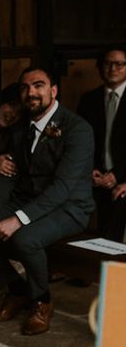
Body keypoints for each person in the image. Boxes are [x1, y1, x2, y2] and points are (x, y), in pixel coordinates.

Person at [0, 66, 95, 334]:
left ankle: (42, 300)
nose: (30, 92)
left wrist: (17, 220)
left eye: (38, 85)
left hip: (69, 207)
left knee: (25, 238)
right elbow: (8, 176)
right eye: (24, 87)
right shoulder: (20, 128)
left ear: (53, 91)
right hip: (29, 201)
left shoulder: (77, 129)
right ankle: (17, 290)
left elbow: (63, 187)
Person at [77, 45, 126, 242]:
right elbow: (82, 142)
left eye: (120, 64)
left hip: (123, 180)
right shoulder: (89, 99)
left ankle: (112, 267)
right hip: (95, 176)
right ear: (99, 67)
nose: (113, 69)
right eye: (107, 63)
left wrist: (119, 176)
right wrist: (91, 169)